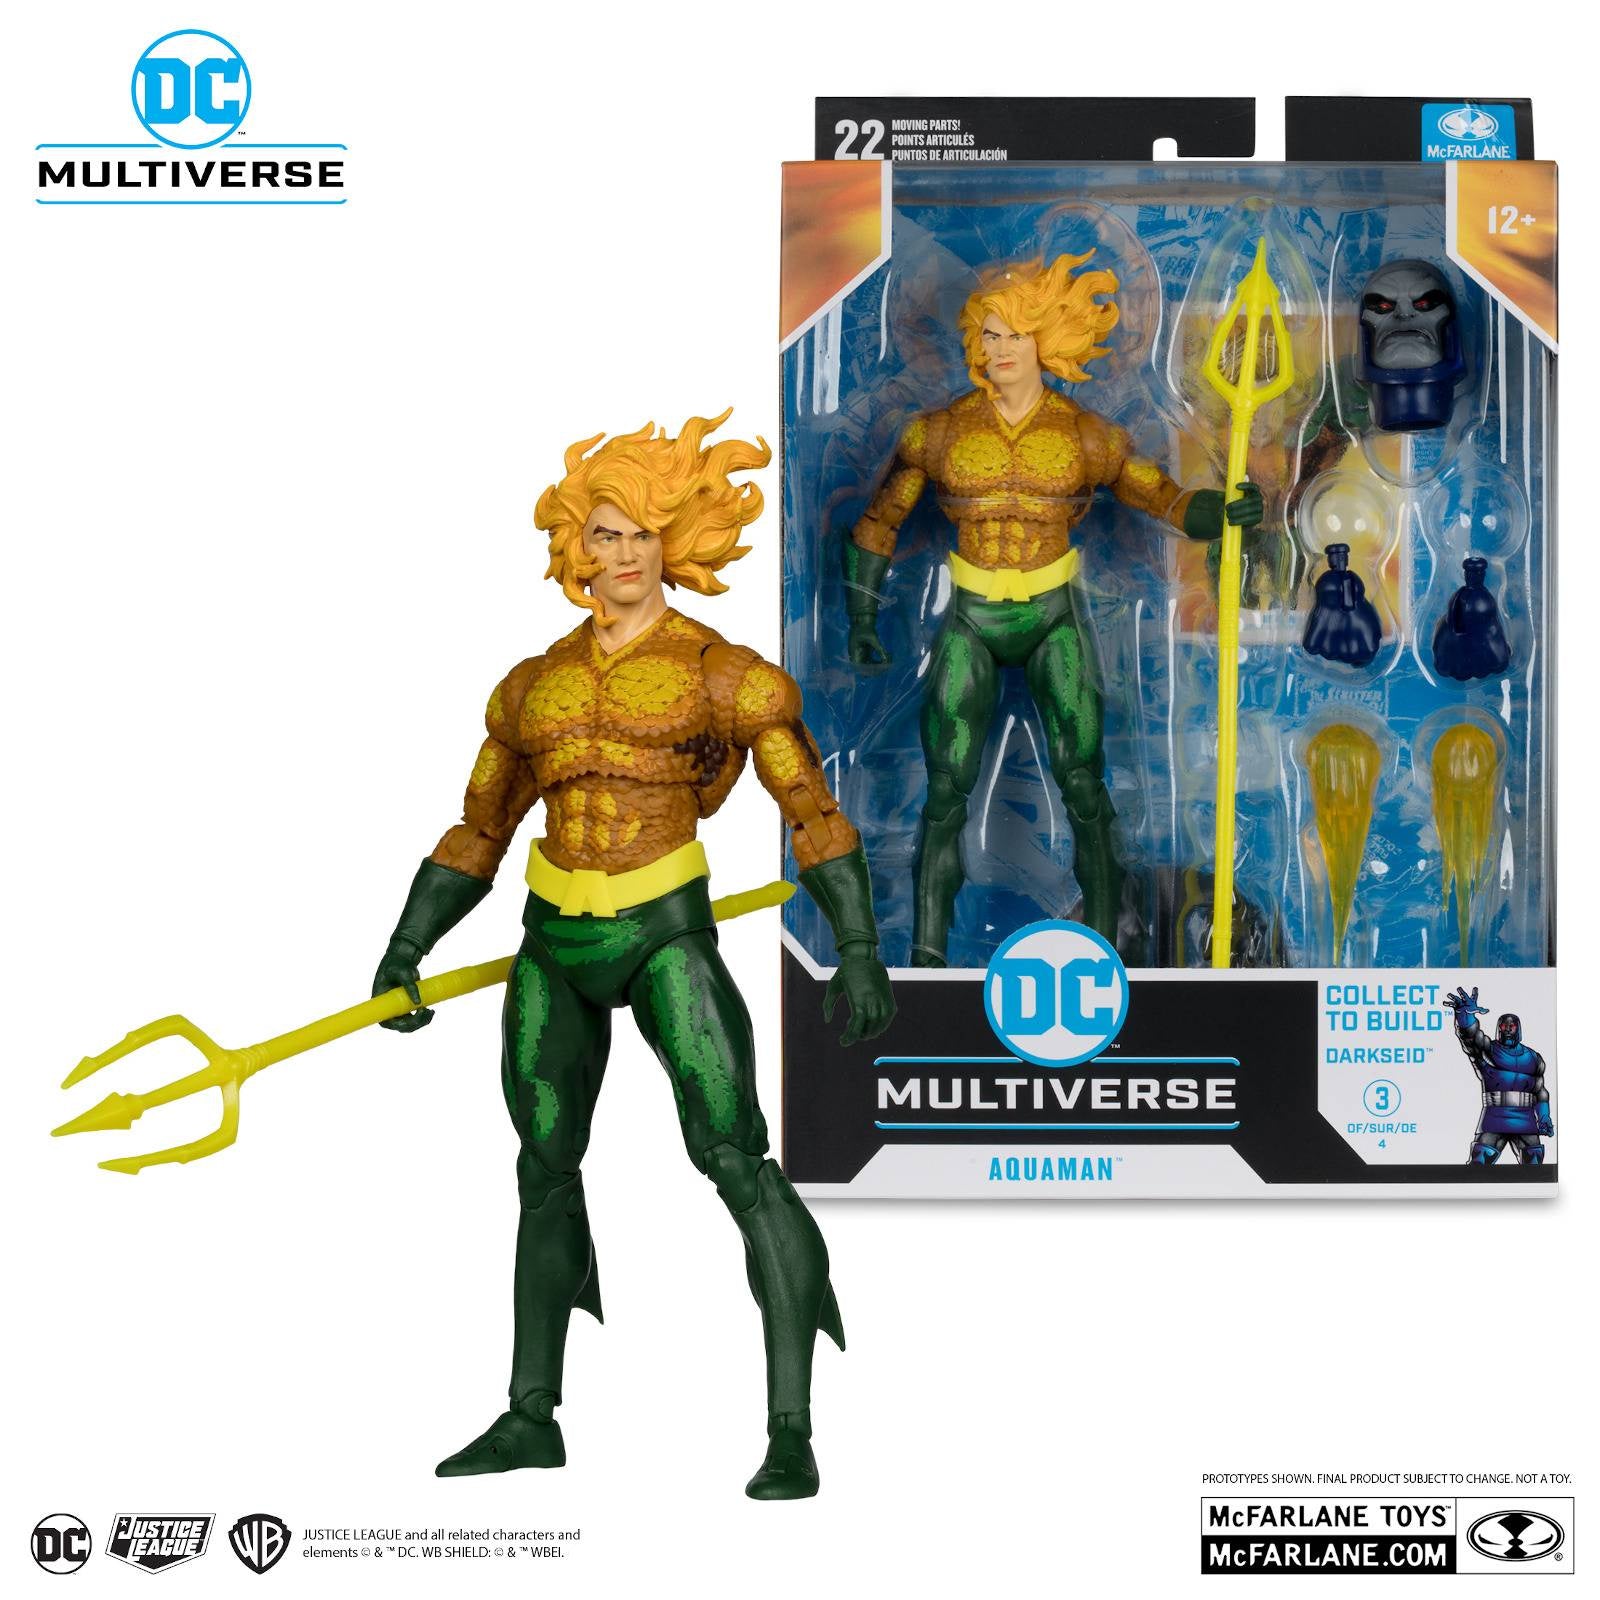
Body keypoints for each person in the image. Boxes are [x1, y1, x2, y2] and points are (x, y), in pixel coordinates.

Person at [372, 411, 894, 1498]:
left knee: (734, 1158)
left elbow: (812, 809)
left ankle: (790, 1430)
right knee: (542, 1166)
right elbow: (479, 828)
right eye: (604, 533)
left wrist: (856, 945)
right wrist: (406, 945)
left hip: (663, 932)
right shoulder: (533, 686)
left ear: (676, 540)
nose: (621, 554)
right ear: (576, 543)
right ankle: (531, 1415)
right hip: (553, 938)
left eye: (642, 534)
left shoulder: (723, 674)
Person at [843, 252, 1262, 963]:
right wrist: (862, 616)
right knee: (944, 795)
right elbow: (880, 520)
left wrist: (1222, 511)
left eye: (1015, 334)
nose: (999, 348)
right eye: (989, 334)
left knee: (1086, 789)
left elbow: (1160, 497)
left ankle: (1104, 945)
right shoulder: (939, 433)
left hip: (1052, 616)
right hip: (971, 616)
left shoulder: (1085, 435)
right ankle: (927, 957)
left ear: (1047, 338)